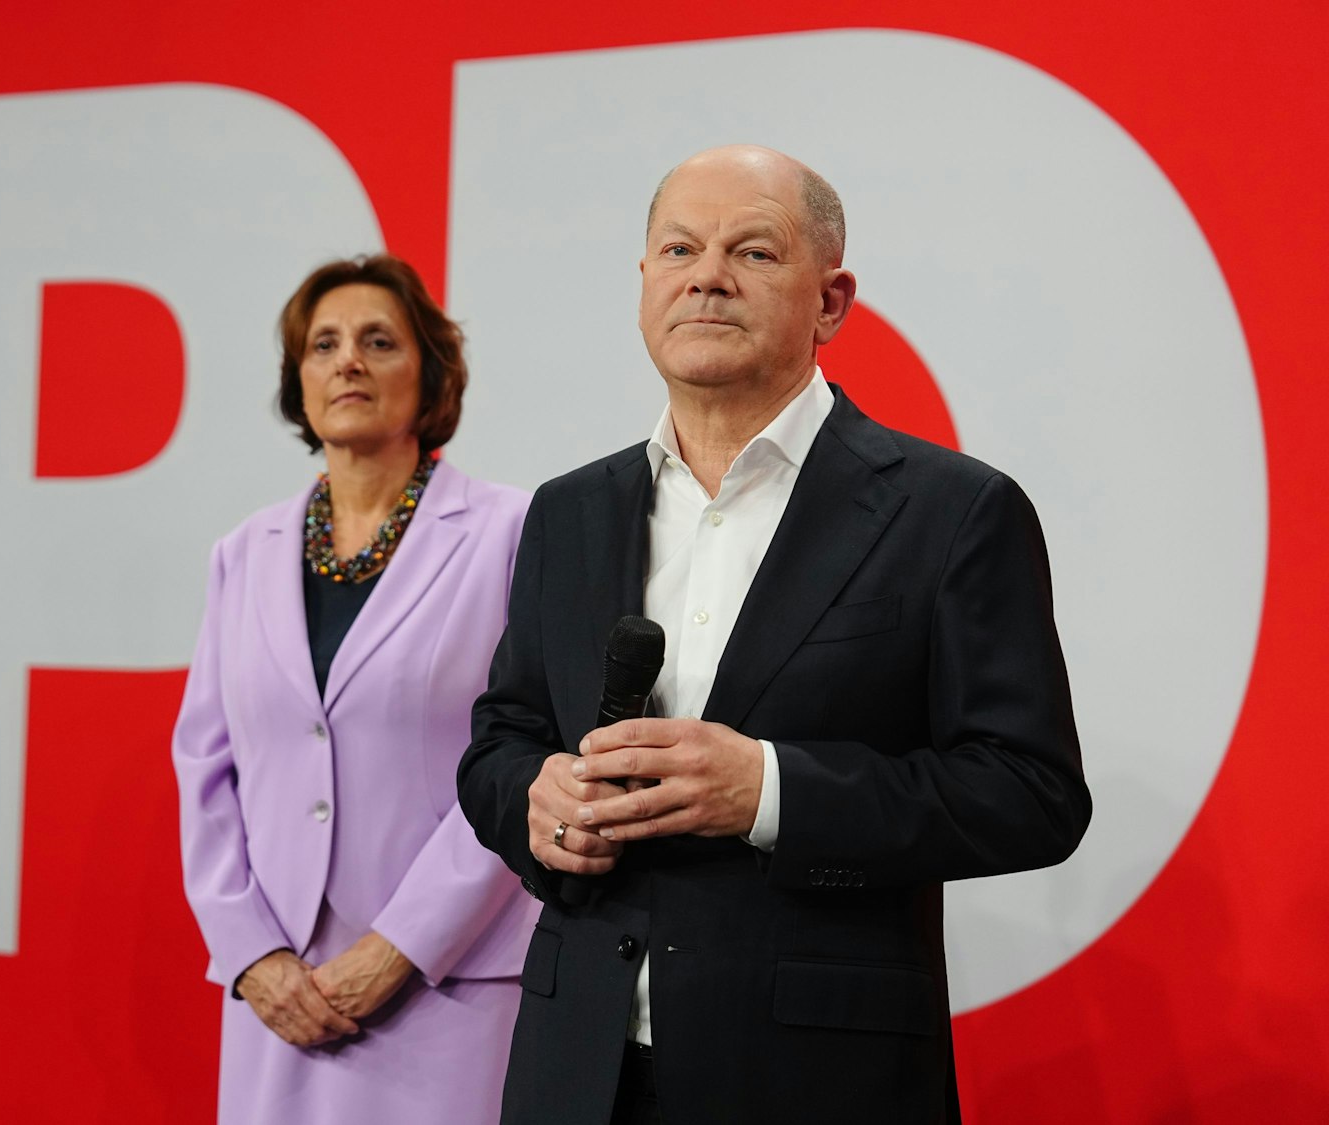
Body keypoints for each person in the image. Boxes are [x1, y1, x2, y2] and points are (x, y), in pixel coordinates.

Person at [456, 145, 1092, 1124]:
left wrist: (768, 791)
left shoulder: (949, 512)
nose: (706, 276)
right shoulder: (568, 511)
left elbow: (1028, 793)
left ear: (830, 303)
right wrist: (535, 801)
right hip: (575, 1071)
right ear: (644, 283)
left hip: (814, 1078)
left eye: (752, 251)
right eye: (679, 250)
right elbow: (501, 739)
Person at [173, 254, 537, 1123]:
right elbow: (206, 768)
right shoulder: (242, 553)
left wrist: (403, 944)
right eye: (324, 345)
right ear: (298, 381)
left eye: (379, 341)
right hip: (280, 997)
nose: (348, 362)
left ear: (432, 374)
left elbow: (528, 757)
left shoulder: (511, 533)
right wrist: (252, 954)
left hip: (450, 984)